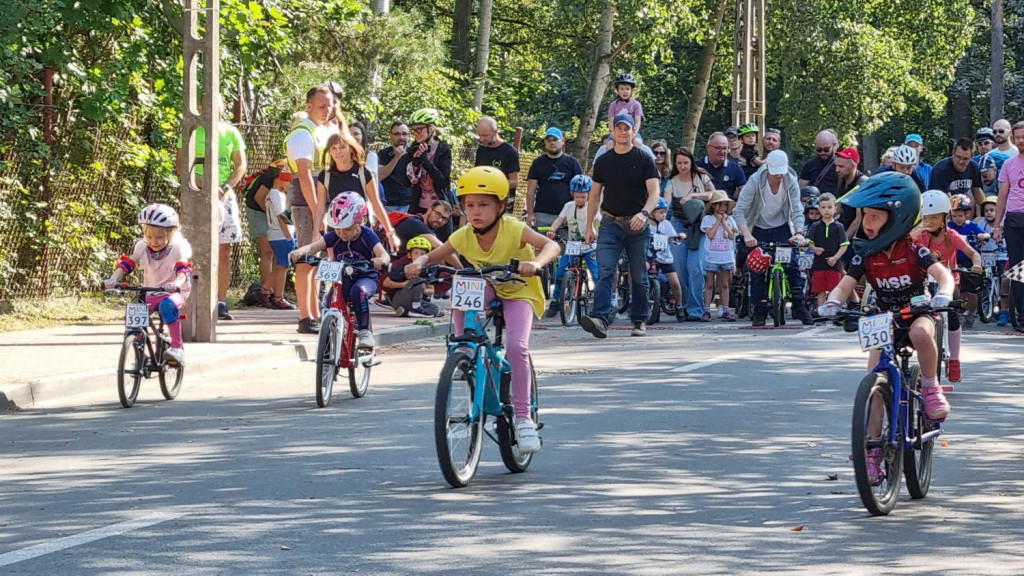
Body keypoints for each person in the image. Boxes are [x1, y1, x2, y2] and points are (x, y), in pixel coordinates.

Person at [405, 166, 560, 454]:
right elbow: (435, 253)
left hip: (519, 289)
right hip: (487, 284)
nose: (476, 211)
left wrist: (536, 264)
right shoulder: (464, 234)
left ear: (501, 206)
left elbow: (551, 245)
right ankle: (463, 350)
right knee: (465, 282)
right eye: (470, 205)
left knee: (516, 347)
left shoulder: (513, 228)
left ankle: (524, 419)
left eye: (484, 205)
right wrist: (420, 261)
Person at [819, 173, 954, 485]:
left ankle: (931, 388)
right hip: (884, 317)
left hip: (918, 311)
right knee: (874, 383)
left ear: (897, 218)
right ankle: (871, 450)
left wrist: (943, 294)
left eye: (875, 216)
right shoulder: (864, 253)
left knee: (921, 333)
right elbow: (845, 285)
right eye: (865, 215)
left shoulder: (914, 250)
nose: (867, 222)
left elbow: (943, 275)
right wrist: (832, 304)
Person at [578, 112, 661, 338]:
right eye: (619, 128)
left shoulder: (644, 159)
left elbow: (655, 192)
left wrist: (644, 214)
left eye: (627, 128)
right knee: (605, 271)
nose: (623, 132)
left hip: (637, 225)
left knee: (638, 274)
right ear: (612, 131)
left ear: (634, 131)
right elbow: (594, 195)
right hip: (609, 222)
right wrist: (589, 226)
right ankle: (600, 319)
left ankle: (639, 319)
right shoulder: (603, 160)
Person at [175, 97, 247, 321]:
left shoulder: (231, 132)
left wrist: (224, 187)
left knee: (223, 249)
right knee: (193, 248)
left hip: (223, 196)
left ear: (221, 107)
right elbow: (181, 166)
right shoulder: (192, 131)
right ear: (201, 107)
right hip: (197, 195)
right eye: (208, 104)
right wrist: (205, 186)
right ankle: (190, 298)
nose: (213, 108)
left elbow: (241, 164)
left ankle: (221, 301)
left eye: (217, 104)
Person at [289, 193, 390, 348]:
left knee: (359, 293)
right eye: (338, 230)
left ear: (360, 221)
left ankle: (364, 332)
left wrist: (381, 260)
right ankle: (329, 344)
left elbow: (383, 254)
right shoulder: (334, 236)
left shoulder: (367, 235)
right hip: (342, 279)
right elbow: (313, 247)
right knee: (329, 305)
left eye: (348, 229)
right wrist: (300, 252)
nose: (342, 234)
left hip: (365, 277)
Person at [103, 204, 192, 365]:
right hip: (150, 292)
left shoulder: (178, 248)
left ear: (171, 234)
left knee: (167, 307)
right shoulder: (142, 247)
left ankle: (177, 348)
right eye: (149, 237)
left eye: (159, 237)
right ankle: (139, 352)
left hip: (174, 292)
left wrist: (175, 283)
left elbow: (183, 271)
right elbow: (127, 265)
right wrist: (114, 279)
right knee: (134, 312)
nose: (154, 242)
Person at [734, 150, 812, 326]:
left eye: (781, 173)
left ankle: (799, 307)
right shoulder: (754, 181)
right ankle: (759, 310)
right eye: (775, 172)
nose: (778, 177)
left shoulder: (790, 181)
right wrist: (747, 234)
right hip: (758, 228)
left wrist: (799, 231)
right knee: (757, 268)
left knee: (792, 264)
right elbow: (739, 211)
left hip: (782, 227)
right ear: (767, 167)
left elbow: (796, 209)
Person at [913, 190, 982, 385]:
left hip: (950, 281)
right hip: (925, 281)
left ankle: (954, 360)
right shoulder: (919, 236)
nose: (929, 222)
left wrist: (976, 264)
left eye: (934, 217)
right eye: (926, 217)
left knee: (952, 318)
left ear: (945, 217)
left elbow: (972, 253)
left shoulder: (952, 235)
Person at [286, 85, 334, 334]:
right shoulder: (302, 134)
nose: (328, 110)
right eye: (322, 106)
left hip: (321, 204)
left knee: (316, 263)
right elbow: (305, 178)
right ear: (309, 107)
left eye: (330, 105)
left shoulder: (322, 131)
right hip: (308, 206)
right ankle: (305, 316)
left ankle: (315, 313)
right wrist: (318, 213)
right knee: (306, 259)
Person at [315, 131, 396, 248]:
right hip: (336, 231)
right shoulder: (325, 175)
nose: (338, 152)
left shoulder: (363, 172)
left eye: (342, 147)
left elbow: (376, 203)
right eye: (334, 148)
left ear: (351, 148)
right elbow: (320, 207)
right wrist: (316, 232)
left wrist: (390, 233)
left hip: (361, 230)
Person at [543, 174, 600, 318]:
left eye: (583, 197)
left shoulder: (593, 207)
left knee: (596, 274)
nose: (580, 200)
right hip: (572, 245)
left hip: (589, 245)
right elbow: (559, 220)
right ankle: (556, 301)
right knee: (561, 272)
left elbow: (599, 223)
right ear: (572, 194)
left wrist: (596, 233)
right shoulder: (568, 206)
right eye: (577, 197)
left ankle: (600, 304)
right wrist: (552, 229)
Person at [669, 147, 715, 321]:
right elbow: (665, 202)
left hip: (699, 225)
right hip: (678, 225)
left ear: (692, 162)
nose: (683, 166)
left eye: (686, 163)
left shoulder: (701, 177)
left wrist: (693, 195)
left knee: (695, 268)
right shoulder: (672, 181)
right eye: (679, 163)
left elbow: (713, 194)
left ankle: (696, 309)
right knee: (680, 268)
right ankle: (686, 304)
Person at [242, 158, 289, 307]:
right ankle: (266, 292)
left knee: (277, 253)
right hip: (258, 210)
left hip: (271, 212)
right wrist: (273, 218)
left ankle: (275, 290)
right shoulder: (273, 177)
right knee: (268, 251)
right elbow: (258, 198)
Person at [993, 120, 1024, 332]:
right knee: (1020, 270)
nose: (1022, 141)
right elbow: (1002, 198)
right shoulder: (1009, 165)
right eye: (1018, 137)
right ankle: (1022, 317)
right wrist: (997, 226)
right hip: (1014, 220)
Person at [526, 127, 584, 230]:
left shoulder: (572, 163)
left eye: (555, 140)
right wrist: (530, 215)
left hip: (566, 216)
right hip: (542, 214)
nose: (552, 143)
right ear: (545, 143)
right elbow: (531, 190)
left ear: (562, 141)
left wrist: (574, 213)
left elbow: (580, 191)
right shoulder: (538, 163)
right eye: (549, 140)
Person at [948, 194, 990, 328]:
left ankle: (971, 311)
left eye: (960, 215)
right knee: (958, 291)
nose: (957, 219)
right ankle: (957, 312)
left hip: (970, 261)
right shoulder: (948, 226)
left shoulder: (972, 226)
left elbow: (986, 234)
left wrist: (983, 235)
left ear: (967, 214)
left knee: (972, 292)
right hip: (954, 260)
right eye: (954, 215)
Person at [700, 190, 738, 321]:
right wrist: (717, 222)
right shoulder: (707, 219)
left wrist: (725, 223)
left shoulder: (731, 220)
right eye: (719, 205)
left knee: (725, 284)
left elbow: (732, 235)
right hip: (712, 256)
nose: (722, 208)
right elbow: (710, 235)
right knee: (709, 284)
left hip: (726, 256)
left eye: (725, 205)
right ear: (713, 206)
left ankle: (726, 309)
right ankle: (706, 310)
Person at [407, 108, 453, 217]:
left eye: (419, 129)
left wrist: (426, 162)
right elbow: (406, 182)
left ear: (431, 128)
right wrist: (415, 165)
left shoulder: (443, 149)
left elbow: (443, 182)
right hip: (418, 207)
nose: (416, 133)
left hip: (440, 206)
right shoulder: (413, 149)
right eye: (413, 130)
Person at [807, 193, 849, 308]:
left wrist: (835, 257)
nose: (826, 210)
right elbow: (809, 242)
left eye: (829, 207)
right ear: (819, 209)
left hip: (834, 264)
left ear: (835, 209)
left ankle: (832, 311)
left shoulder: (839, 227)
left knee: (833, 289)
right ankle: (821, 311)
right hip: (819, 263)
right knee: (820, 290)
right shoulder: (815, 226)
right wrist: (815, 249)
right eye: (823, 207)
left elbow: (844, 245)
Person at [384, 237, 443, 318]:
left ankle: (406, 311)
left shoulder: (427, 270)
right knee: (418, 281)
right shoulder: (403, 268)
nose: (419, 256)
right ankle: (414, 308)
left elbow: (431, 290)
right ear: (409, 255)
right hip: (402, 298)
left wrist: (421, 290)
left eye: (422, 254)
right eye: (416, 253)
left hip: (421, 300)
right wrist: (405, 285)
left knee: (436, 309)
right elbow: (386, 283)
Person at [263, 170, 296, 310]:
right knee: (284, 267)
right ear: (278, 180)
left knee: (280, 266)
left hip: (275, 234)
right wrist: (288, 234)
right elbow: (281, 216)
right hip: (281, 235)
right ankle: (279, 297)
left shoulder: (271, 194)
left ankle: (265, 290)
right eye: (286, 180)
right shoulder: (277, 195)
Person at [977, 195, 1011, 325]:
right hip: (988, 256)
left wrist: (989, 235)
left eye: (992, 210)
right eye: (986, 210)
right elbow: (976, 232)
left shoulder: (1003, 223)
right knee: (985, 280)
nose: (989, 213)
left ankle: (1004, 311)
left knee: (1004, 282)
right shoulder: (982, 223)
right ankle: (986, 306)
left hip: (1002, 256)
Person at [649, 198, 685, 319]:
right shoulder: (646, 226)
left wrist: (679, 236)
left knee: (675, 283)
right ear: (651, 212)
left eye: (665, 212)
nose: (663, 215)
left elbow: (674, 236)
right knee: (641, 276)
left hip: (665, 258)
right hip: (650, 257)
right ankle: (640, 303)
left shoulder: (666, 225)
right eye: (660, 212)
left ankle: (679, 305)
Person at [475, 116, 521, 211]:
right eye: (480, 135)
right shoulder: (481, 150)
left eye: (485, 135)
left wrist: (492, 185)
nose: (482, 139)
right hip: (483, 200)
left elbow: (514, 181)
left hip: (503, 201)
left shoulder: (510, 151)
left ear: (495, 132)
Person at [929, 137, 985, 209]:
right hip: (940, 205)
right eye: (958, 157)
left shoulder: (974, 167)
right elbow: (946, 199)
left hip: (960, 203)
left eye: (965, 159)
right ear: (953, 152)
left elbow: (977, 190)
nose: (961, 161)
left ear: (971, 157)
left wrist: (986, 209)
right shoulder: (941, 170)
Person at [697, 132, 747, 200]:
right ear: (708, 148)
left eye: (725, 148)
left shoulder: (735, 168)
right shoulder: (697, 166)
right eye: (718, 148)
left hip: (726, 208)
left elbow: (745, 192)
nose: (722, 151)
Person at [378, 121, 414, 213]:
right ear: (391, 136)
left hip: (408, 204)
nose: (401, 137)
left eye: (404, 134)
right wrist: (396, 157)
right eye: (397, 134)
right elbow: (380, 176)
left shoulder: (414, 153)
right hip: (388, 204)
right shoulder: (384, 154)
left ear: (409, 136)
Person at [835, 147, 868, 236]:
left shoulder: (862, 184)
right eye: (836, 166)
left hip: (859, 236)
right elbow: (838, 208)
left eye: (841, 166)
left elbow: (859, 219)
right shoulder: (842, 181)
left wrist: (844, 241)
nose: (837, 170)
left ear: (853, 166)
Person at [798, 130, 839, 195]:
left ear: (834, 145)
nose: (822, 152)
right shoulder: (809, 164)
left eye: (826, 149)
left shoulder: (841, 164)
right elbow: (801, 189)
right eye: (819, 149)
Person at [607, 73, 644, 140]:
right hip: (616, 133)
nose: (625, 91)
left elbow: (637, 122)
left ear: (632, 90)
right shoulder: (613, 104)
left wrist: (633, 134)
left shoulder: (636, 104)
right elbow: (611, 122)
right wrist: (613, 134)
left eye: (627, 89)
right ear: (617, 90)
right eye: (622, 89)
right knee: (609, 145)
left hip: (631, 132)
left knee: (637, 143)